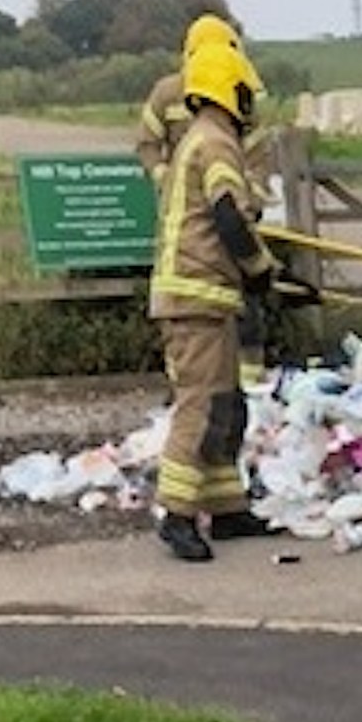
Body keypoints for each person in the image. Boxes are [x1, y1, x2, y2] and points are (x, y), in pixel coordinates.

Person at [149, 39, 280, 562]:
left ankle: (227, 508)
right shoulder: (216, 144)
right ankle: (176, 516)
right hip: (196, 297)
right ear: (231, 91)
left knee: (226, 403)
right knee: (200, 404)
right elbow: (230, 217)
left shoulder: (200, 138)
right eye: (246, 93)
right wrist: (260, 269)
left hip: (206, 295)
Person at [138, 14, 269, 390]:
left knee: (242, 318)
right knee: (200, 387)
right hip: (200, 233)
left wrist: (250, 205)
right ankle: (202, 389)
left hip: (224, 228)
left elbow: (257, 163)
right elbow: (147, 144)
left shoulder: (228, 114)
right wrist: (167, 180)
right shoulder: (175, 102)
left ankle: (245, 389)